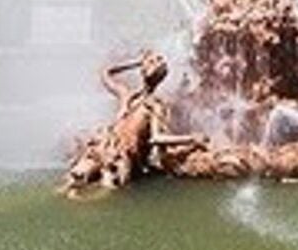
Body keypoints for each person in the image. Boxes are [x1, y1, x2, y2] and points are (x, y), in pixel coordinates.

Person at [61, 50, 202, 197]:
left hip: (122, 159)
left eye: (157, 62)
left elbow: (157, 138)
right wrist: (135, 62)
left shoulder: (155, 105)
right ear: (142, 70)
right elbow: (105, 73)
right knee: (74, 177)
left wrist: (191, 139)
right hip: (105, 147)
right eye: (151, 61)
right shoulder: (126, 94)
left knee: (106, 187)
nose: (155, 63)